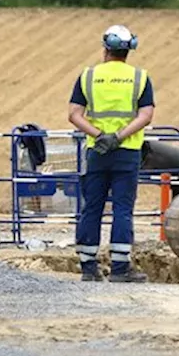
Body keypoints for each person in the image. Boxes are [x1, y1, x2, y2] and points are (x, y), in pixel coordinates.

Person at [67, 24, 155, 283]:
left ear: (106, 49)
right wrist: (119, 137)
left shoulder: (88, 77)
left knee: (92, 207)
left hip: (97, 151)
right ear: (129, 51)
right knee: (122, 209)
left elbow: (74, 114)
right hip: (126, 152)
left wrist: (99, 136)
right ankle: (119, 269)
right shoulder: (139, 78)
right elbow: (146, 115)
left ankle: (88, 268)